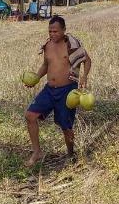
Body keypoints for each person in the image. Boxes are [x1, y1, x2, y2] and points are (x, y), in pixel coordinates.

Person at [23, 15, 91, 166]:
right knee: (30, 116)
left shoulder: (72, 45)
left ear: (64, 30)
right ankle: (37, 152)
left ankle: (71, 154)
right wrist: (36, 78)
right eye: (50, 31)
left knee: (66, 127)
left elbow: (87, 60)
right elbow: (46, 65)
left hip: (67, 91)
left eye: (55, 31)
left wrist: (84, 76)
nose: (52, 34)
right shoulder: (47, 45)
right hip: (49, 90)